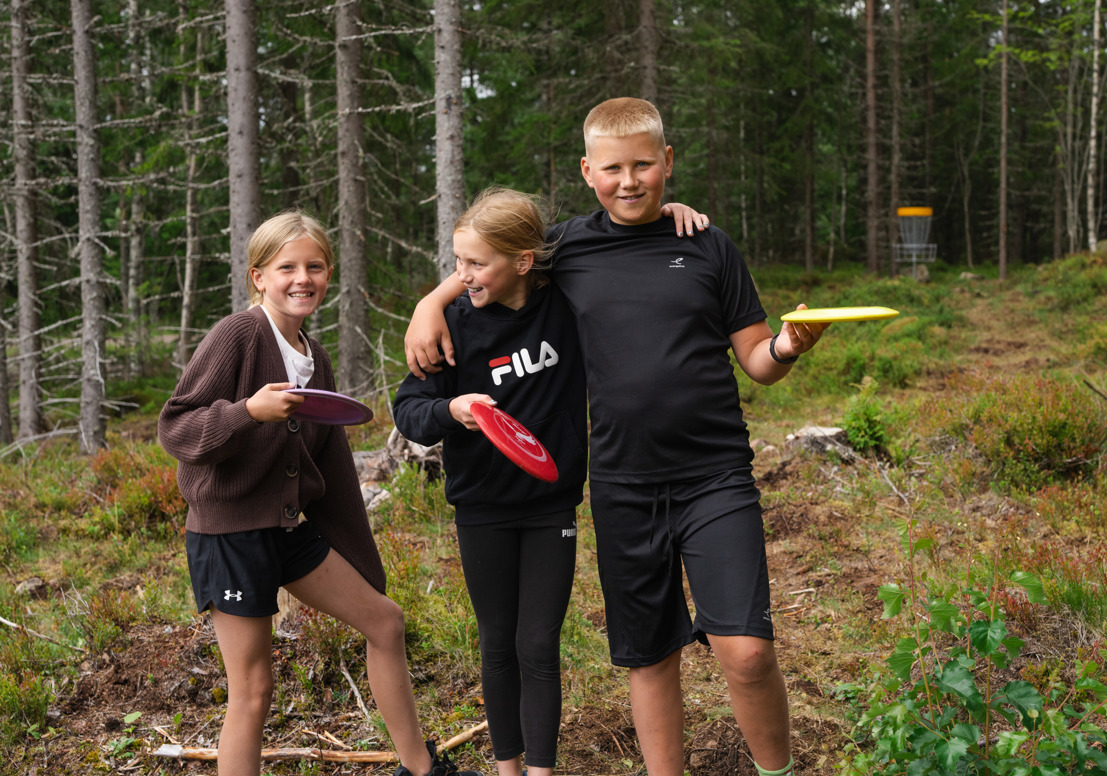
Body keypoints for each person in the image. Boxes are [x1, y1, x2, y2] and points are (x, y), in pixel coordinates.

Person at [404, 98, 829, 776]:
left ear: (667, 162)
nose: (628, 182)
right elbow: (488, 260)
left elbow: (758, 362)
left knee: (745, 651)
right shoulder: (565, 249)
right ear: (587, 171)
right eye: (612, 169)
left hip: (714, 475)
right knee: (648, 655)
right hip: (623, 485)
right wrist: (430, 305)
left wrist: (787, 344)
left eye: (642, 166)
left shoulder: (707, 244)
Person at [158, 210, 480, 776]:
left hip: (288, 531)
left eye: (314, 266)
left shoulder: (316, 358)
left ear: (329, 274)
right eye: (287, 267)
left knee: (385, 621)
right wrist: (247, 413)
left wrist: (363, 566)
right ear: (258, 276)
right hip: (229, 534)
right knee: (253, 688)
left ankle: (421, 770)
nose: (301, 278)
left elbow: (331, 471)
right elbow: (176, 427)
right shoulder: (237, 335)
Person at [392, 187, 587, 776]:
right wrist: (454, 410)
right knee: (497, 643)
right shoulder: (453, 324)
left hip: (551, 503)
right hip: (481, 507)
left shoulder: (566, 302)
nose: (462, 275)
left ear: (523, 261)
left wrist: (676, 212)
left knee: (538, 646)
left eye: (475, 264)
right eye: (456, 263)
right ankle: (507, 768)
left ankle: (540, 771)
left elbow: (617, 226)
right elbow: (408, 409)